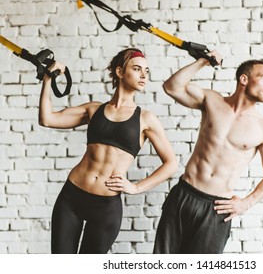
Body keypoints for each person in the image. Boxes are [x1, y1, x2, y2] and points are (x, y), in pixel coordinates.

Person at [39, 48, 178, 254]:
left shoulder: (146, 119)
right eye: (137, 69)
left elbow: (172, 164)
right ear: (121, 72)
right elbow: (47, 119)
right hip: (71, 198)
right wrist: (47, 80)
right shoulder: (94, 109)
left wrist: (137, 188)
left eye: (146, 71)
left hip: (105, 207)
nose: (143, 75)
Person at [153, 51, 263, 254]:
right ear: (244, 79)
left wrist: (246, 203)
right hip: (184, 194)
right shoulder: (212, 101)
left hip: (217, 208)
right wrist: (202, 61)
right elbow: (172, 87)